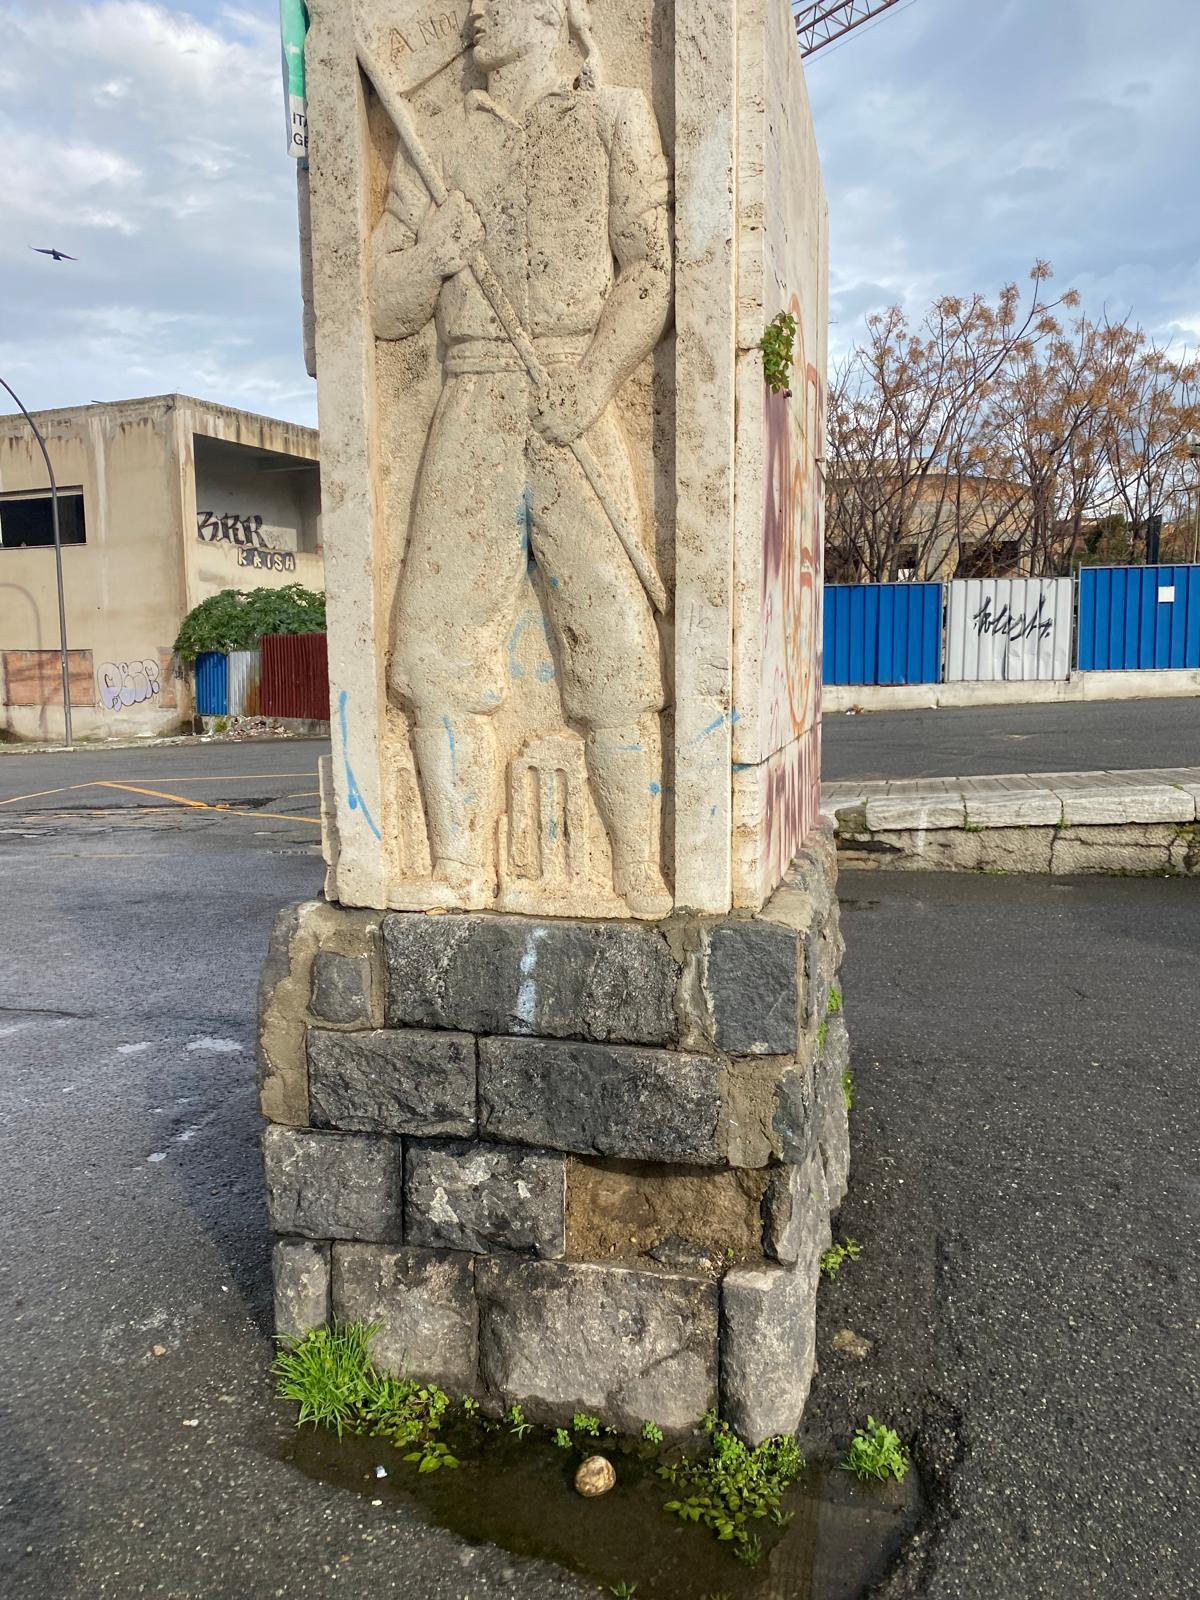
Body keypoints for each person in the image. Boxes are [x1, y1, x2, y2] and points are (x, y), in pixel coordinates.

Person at [371, 0, 673, 915]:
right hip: (473, 397)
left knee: (616, 639)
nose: (478, 14)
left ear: (554, 13)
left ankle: (635, 865)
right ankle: (459, 863)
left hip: (574, 395)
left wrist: (593, 380)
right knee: (435, 645)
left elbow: (649, 267)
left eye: (501, 1)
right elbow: (385, 305)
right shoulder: (437, 140)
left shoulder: (614, 117)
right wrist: (433, 255)